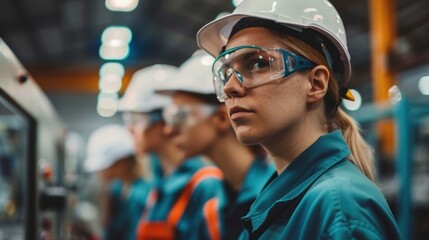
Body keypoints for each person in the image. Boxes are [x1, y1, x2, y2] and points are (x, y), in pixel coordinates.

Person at [196, 0, 401, 239]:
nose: (231, 87)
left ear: (315, 84)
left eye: (258, 63)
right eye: (226, 73)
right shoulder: (284, 198)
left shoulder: (340, 210)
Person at [156, 50, 274, 240]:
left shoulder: (272, 196)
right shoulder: (218, 200)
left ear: (220, 118)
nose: (168, 130)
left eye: (179, 115)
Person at [117, 64, 225, 240]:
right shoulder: (158, 187)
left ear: (164, 119)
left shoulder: (205, 185)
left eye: (136, 119)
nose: (129, 129)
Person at [84, 124, 150, 240]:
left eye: (103, 168)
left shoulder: (139, 196)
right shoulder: (120, 191)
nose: (100, 174)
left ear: (120, 163)